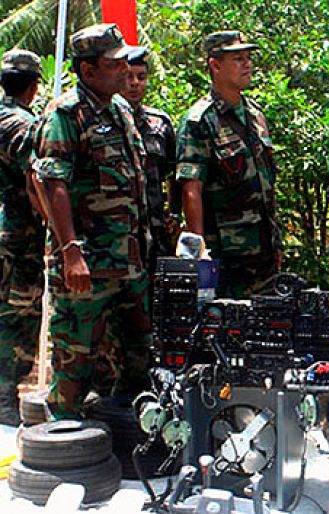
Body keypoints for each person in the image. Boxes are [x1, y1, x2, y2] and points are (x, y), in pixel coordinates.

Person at [32, 23, 151, 420]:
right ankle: (63, 438)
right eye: (114, 64)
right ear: (88, 71)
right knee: (75, 358)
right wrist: (70, 252)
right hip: (88, 263)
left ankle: (127, 432)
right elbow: (52, 182)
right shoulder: (66, 113)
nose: (124, 70)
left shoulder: (120, 111)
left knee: (138, 352)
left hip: (128, 262)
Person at [176, 30, 281, 299]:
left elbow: (266, 184)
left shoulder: (255, 114)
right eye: (238, 59)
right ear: (215, 65)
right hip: (225, 256)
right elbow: (191, 189)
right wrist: (199, 252)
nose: (247, 64)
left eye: (248, 58)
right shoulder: (199, 121)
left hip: (263, 254)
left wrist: (275, 241)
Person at [0, 49, 45, 425]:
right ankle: (2, 398)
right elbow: (37, 177)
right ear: (33, 87)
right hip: (17, 239)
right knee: (18, 317)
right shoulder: (21, 125)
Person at [120, 46, 178, 263]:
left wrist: (174, 213)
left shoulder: (159, 123)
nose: (135, 83)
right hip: (117, 234)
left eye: (141, 77)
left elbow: (174, 173)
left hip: (155, 231)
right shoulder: (102, 122)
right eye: (128, 77)